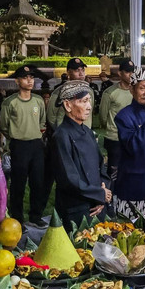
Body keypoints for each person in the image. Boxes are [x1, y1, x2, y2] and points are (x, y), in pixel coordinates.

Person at [52, 81, 111, 231]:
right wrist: (98, 194)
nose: (89, 107)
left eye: (89, 101)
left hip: (97, 205)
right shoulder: (61, 136)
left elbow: (100, 166)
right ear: (68, 105)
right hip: (76, 209)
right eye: (83, 101)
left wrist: (103, 193)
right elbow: (69, 179)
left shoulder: (88, 131)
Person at [0, 65, 48, 230]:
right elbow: (4, 125)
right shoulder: (10, 102)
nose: (30, 81)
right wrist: (14, 136)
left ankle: (36, 216)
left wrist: (38, 133)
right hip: (19, 145)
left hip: (36, 145)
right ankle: (17, 218)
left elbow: (42, 122)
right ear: (17, 81)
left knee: (38, 182)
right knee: (18, 184)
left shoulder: (38, 101)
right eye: (26, 77)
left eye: (32, 77)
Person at [113, 67, 145, 218]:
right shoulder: (124, 116)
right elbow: (132, 146)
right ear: (131, 89)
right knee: (131, 234)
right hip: (134, 186)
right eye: (142, 88)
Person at [44, 58, 92, 206]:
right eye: (77, 70)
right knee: (65, 175)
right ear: (68, 73)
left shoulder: (89, 90)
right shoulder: (59, 92)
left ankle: (89, 199)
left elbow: (90, 113)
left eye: (82, 70)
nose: (81, 73)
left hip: (85, 136)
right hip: (67, 137)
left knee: (86, 172)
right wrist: (63, 132)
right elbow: (51, 116)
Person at [99, 59, 135, 183]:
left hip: (132, 137)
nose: (131, 75)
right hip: (114, 138)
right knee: (113, 173)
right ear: (120, 73)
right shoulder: (110, 92)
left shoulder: (137, 92)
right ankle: (111, 198)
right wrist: (110, 128)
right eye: (127, 72)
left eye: (132, 72)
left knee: (130, 170)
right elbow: (103, 116)